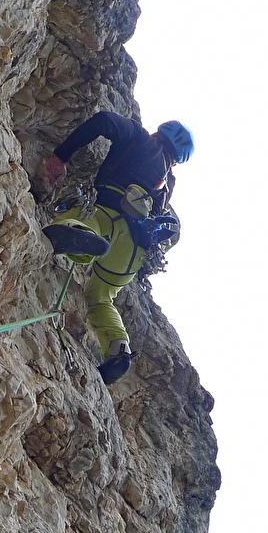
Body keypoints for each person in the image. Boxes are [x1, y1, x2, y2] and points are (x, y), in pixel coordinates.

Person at [39, 111, 194, 384]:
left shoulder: (138, 136)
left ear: (159, 131)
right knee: (100, 296)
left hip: (108, 213)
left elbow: (102, 120)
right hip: (135, 251)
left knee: (83, 219)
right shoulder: (167, 183)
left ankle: (77, 234)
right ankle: (118, 348)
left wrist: (61, 156)